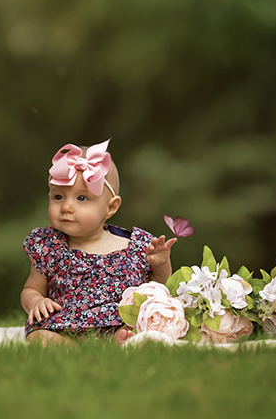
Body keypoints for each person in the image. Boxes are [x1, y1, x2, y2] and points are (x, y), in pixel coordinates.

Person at [20, 140, 176, 346]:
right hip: (63, 323)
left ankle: (119, 342)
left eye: (82, 198)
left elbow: (160, 288)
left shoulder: (137, 246)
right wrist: (36, 302)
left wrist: (161, 264)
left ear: (111, 208)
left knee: (142, 325)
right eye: (58, 196)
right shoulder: (49, 246)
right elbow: (31, 289)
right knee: (37, 335)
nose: (66, 207)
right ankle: (69, 348)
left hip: (118, 321)